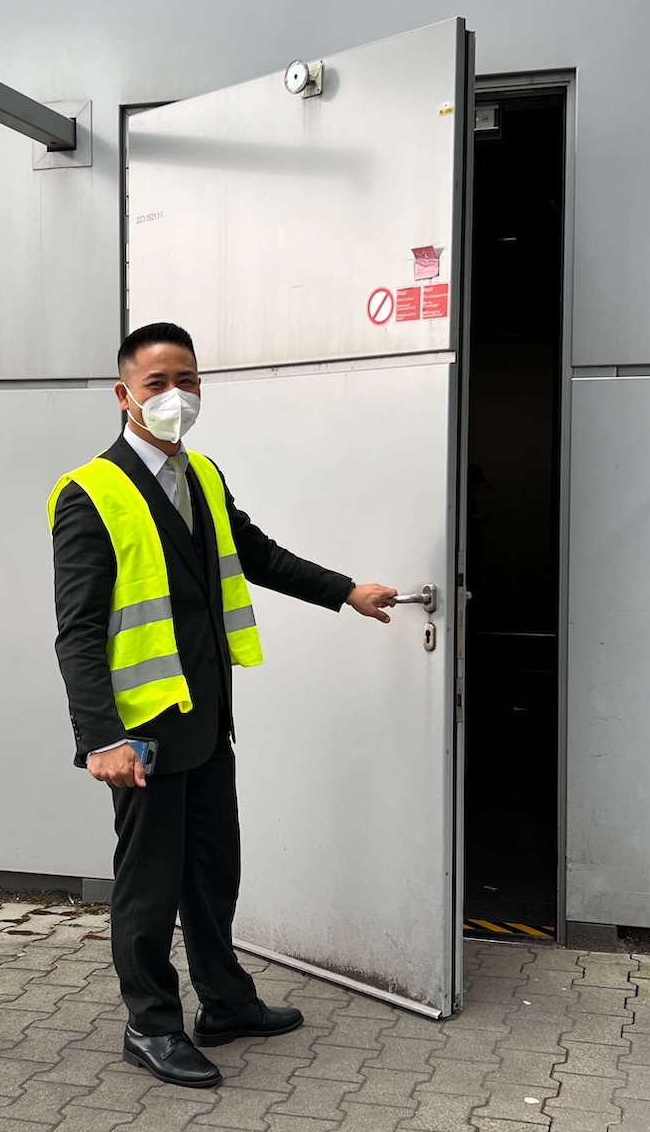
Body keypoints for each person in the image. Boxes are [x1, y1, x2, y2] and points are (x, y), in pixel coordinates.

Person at [49, 321, 397, 1088]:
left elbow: (258, 554)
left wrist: (344, 591)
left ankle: (226, 1003)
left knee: (213, 872)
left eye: (189, 380)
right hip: (139, 735)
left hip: (206, 721)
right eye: (158, 383)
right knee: (149, 885)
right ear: (123, 396)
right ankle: (150, 1024)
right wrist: (100, 737)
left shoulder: (202, 474)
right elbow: (76, 632)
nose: (177, 396)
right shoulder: (90, 494)